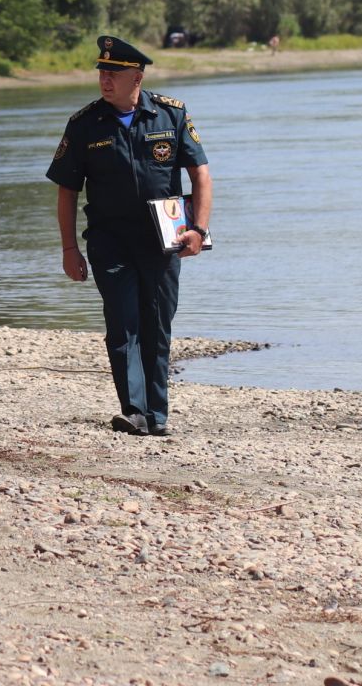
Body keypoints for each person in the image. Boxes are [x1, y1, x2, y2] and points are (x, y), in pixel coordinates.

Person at [47, 36, 212, 437]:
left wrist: (199, 229)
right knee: (123, 323)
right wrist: (69, 248)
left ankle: (158, 415)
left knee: (157, 323)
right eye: (102, 72)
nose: (105, 80)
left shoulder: (171, 115)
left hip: (163, 238)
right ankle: (134, 410)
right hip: (109, 240)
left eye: (114, 74)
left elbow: (200, 174)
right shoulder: (85, 123)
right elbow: (67, 190)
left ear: (136, 77)